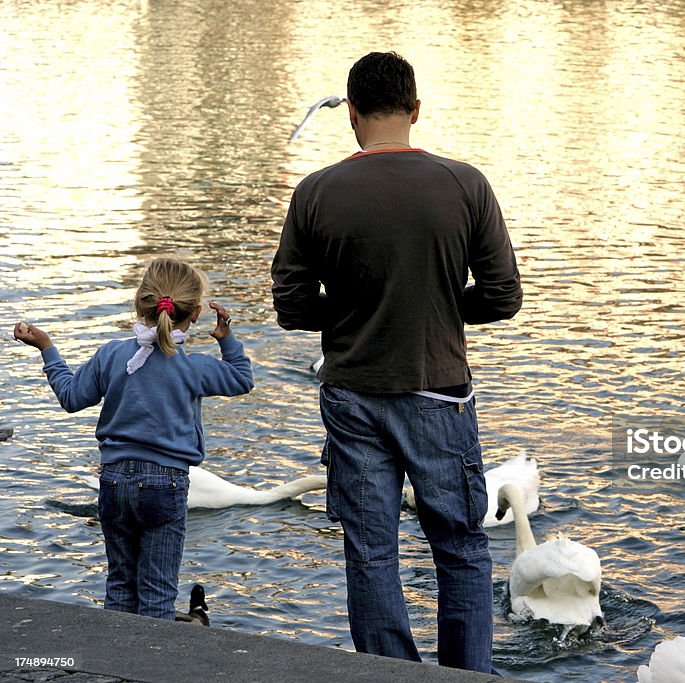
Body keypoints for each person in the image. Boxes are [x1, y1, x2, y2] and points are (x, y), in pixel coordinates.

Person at [271, 51, 522, 673]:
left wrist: (358, 310)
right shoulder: (466, 185)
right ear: (415, 110)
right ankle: (467, 676)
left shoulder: (316, 192)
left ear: (351, 113)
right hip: (437, 389)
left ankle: (388, 674)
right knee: (460, 549)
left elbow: (292, 306)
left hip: (352, 394)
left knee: (371, 551)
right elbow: (503, 296)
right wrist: (435, 306)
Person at [13, 257, 254, 619]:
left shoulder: (111, 354)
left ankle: (114, 668)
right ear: (197, 313)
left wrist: (48, 349)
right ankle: (149, 670)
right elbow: (241, 379)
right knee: (157, 593)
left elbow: (71, 397)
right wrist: (227, 338)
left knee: (120, 585)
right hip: (165, 484)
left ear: (139, 303)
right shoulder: (195, 366)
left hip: (113, 480)